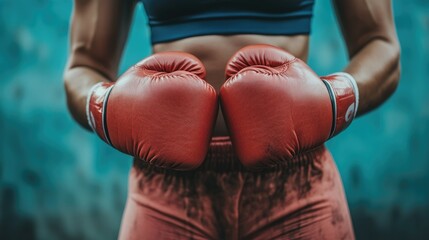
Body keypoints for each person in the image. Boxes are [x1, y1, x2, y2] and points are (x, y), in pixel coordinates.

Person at [64, 0, 400, 239]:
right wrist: (107, 107)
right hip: (167, 186)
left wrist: (333, 100)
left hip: (295, 182)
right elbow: (83, 66)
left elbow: (381, 45)